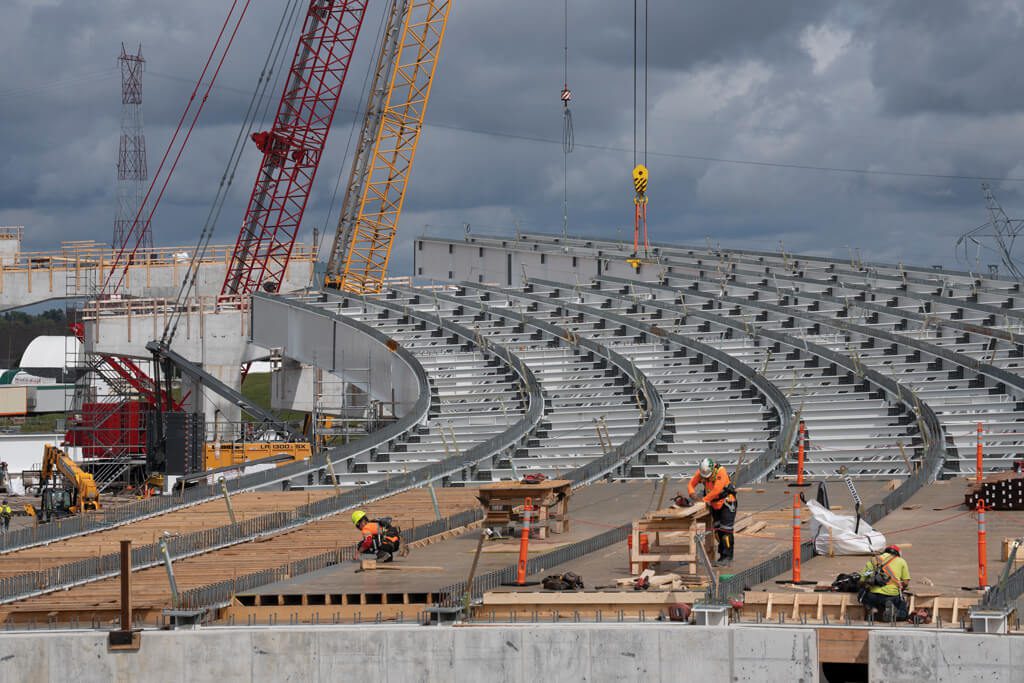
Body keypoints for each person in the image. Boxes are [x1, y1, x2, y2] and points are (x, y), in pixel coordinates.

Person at [685, 458, 738, 567]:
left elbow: (716, 491)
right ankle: (722, 555)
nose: (706, 479)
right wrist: (692, 494)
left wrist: (703, 500)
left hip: (726, 503)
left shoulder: (720, 471)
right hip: (714, 505)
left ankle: (728, 556)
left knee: (725, 531)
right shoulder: (702, 472)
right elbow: (691, 484)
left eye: (708, 477)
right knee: (718, 532)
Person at [858, 545, 910, 621]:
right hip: (891, 596)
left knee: (862, 592)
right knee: (903, 609)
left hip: (873, 596)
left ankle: (872, 608)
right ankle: (895, 613)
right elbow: (906, 582)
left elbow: (862, 581)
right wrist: (901, 586)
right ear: (897, 554)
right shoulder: (901, 561)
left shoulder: (873, 560)